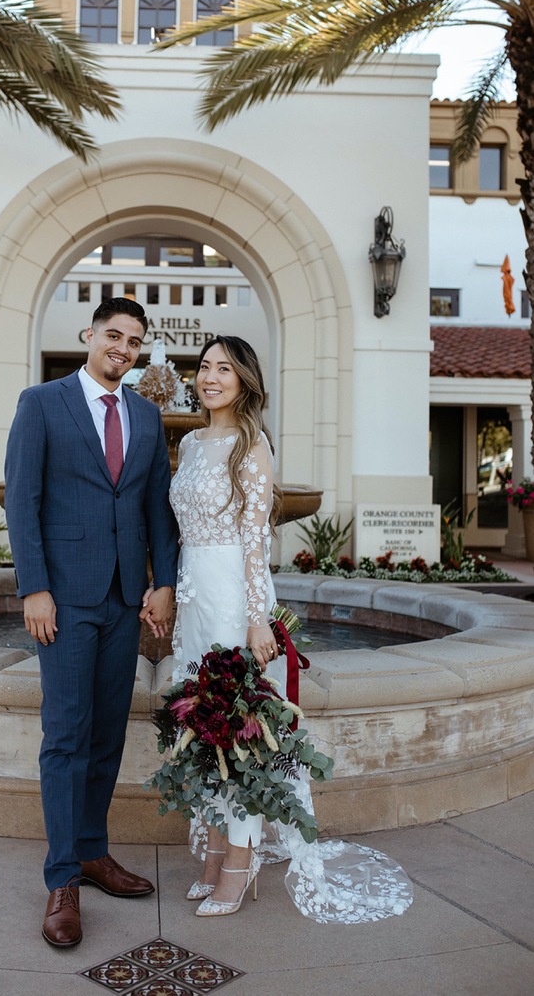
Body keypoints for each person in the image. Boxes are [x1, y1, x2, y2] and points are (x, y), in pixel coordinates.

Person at [170, 335, 413, 922]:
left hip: (233, 597)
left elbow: (256, 540)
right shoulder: (189, 442)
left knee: (241, 732)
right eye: (204, 367)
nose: (211, 377)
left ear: (245, 381)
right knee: (202, 728)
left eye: (224, 369)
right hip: (193, 597)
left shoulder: (252, 447)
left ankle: (239, 859)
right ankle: (211, 852)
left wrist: (258, 619)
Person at [4, 297, 178, 949]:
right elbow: (23, 499)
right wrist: (37, 589)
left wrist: (162, 583)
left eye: (134, 341)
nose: (123, 349)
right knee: (66, 736)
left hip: (121, 601)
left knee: (107, 733)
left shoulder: (145, 413)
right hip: (65, 602)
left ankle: (94, 852)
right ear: (90, 334)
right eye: (114, 335)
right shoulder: (42, 403)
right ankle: (61, 880)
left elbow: (156, 507)